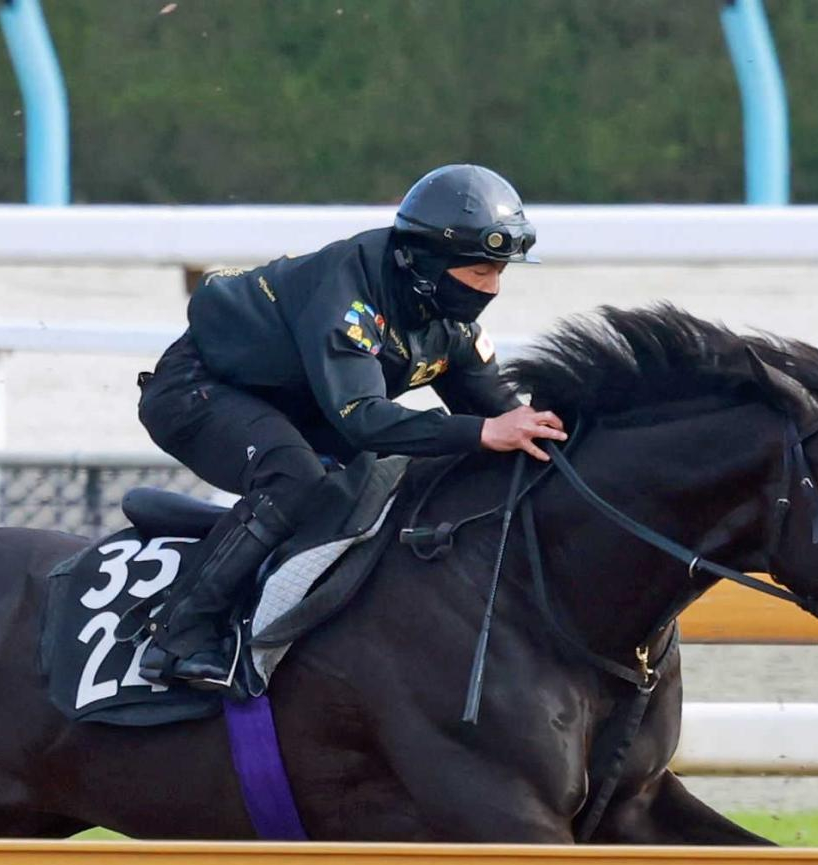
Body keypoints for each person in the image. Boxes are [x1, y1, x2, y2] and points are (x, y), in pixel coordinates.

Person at [133, 163, 567, 690]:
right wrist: (479, 433)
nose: (492, 289)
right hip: (196, 390)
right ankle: (178, 636)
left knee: (372, 487)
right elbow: (362, 418)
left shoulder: (444, 317)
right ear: (427, 263)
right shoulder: (348, 294)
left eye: (499, 273)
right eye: (479, 273)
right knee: (294, 478)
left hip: (294, 407)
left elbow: (505, 418)